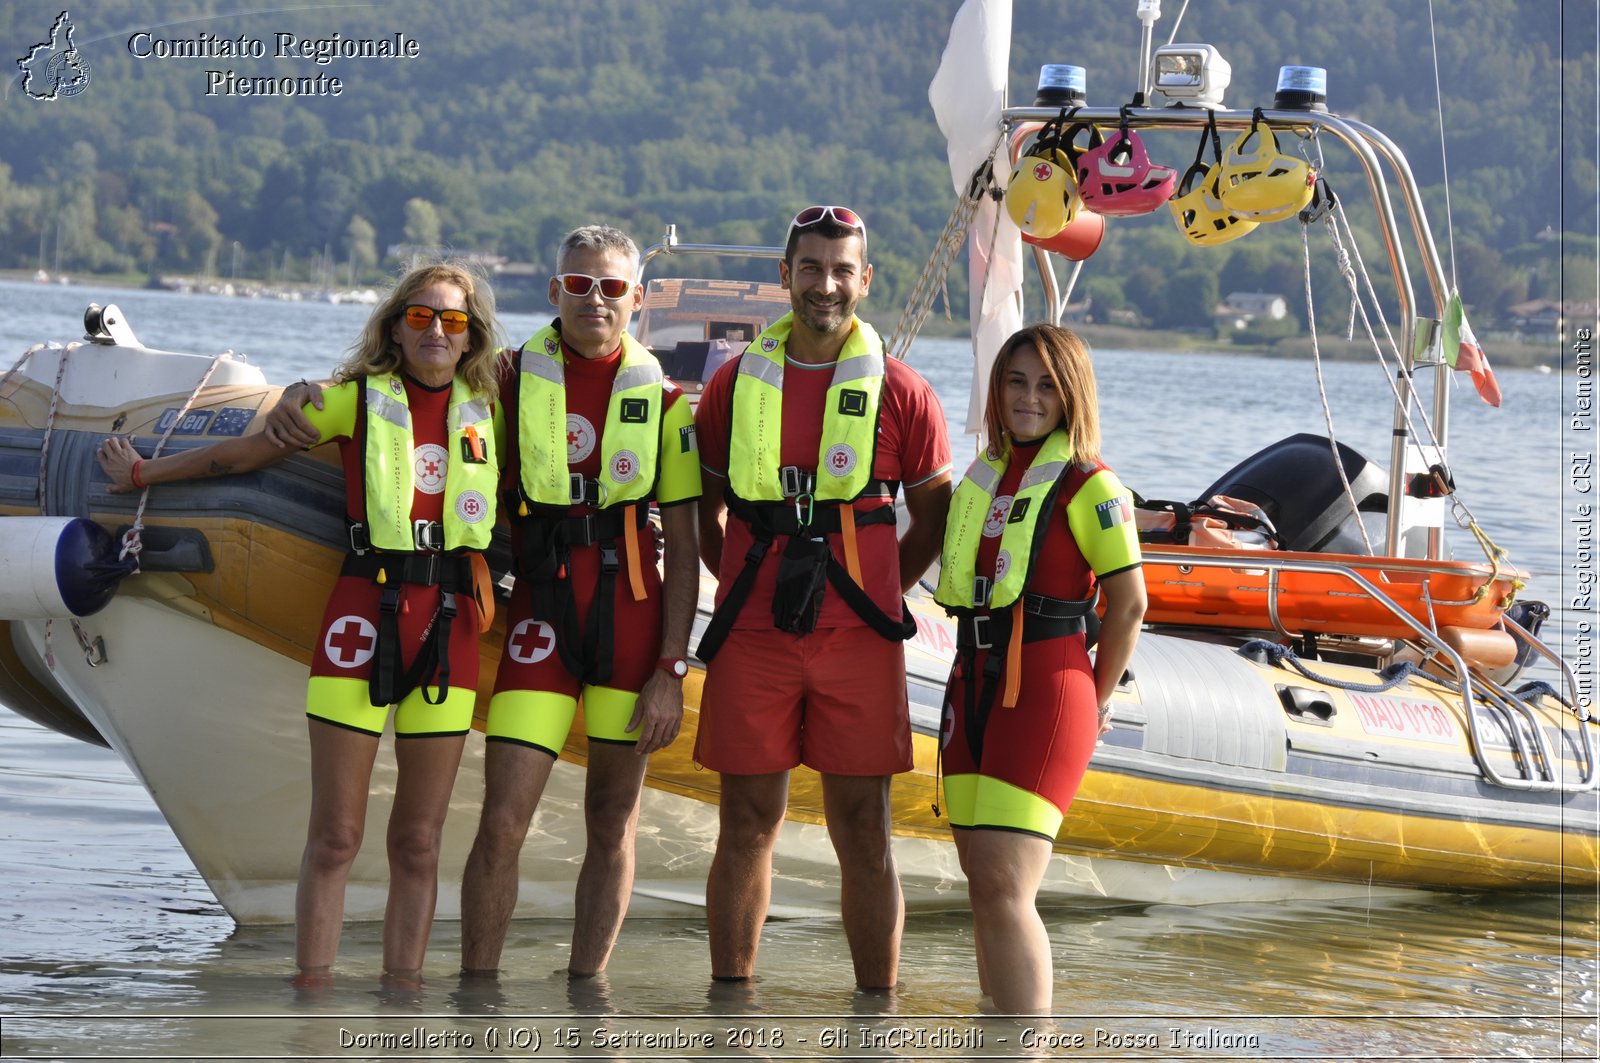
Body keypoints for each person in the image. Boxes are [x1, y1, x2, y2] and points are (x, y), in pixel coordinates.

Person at [264, 226, 700, 980]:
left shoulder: (665, 403)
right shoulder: (503, 381)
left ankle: (585, 990)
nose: (594, 299)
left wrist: (672, 665)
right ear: (554, 290)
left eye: (612, 286)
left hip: (631, 622)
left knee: (611, 821)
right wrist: (301, 395)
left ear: (637, 298)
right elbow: (415, 409)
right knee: (502, 821)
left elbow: (688, 544)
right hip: (540, 619)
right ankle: (476, 995)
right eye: (578, 283)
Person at [97, 263, 505, 987]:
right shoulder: (352, 401)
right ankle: (310, 1007)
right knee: (336, 835)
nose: (437, 331)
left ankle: (400, 1006)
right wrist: (142, 476)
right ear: (394, 328)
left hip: (448, 632)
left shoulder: (493, 409)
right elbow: (244, 451)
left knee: (418, 842)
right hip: (360, 620)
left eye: (452, 319)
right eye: (420, 317)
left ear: (471, 332)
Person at [693, 204, 952, 989]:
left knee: (864, 829)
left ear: (865, 281)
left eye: (843, 270)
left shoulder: (904, 393)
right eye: (811, 267)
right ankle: (730, 1015)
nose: (826, 285)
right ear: (784, 275)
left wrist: (877, 593)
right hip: (755, 636)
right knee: (744, 824)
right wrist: (735, 580)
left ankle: (877, 1017)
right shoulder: (734, 385)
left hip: (858, 642)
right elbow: (705, 506)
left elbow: (936, 517)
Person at [931, 323, 1146, 1014]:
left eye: (1047, 385)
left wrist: (1099, 693)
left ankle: (1029, 1046)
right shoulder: (985, 474)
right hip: (973, 677)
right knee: (979, 879)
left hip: (1048, 687)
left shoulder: (1090, 483)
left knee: (1003, 882)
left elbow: (1129, 604)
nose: (1029, 397)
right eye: (1016, 382)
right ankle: (994, 1035)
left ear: (1071, 395)